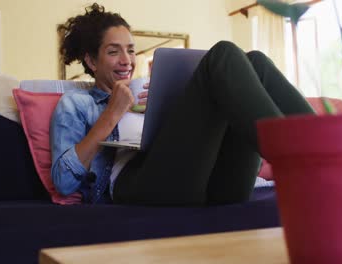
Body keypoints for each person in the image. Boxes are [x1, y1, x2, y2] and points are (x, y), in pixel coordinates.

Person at [50, 3, 314, 205]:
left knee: (255, 60)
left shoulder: (146, 90)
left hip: (209, 180)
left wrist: (170, 101)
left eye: (130, 50)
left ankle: (329, 150)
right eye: (113, 51)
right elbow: (63, 182)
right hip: (136, 182)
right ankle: (299, 164)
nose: (126, 60)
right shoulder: (76, 103)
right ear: (92, 62)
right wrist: (112, 113)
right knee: (223, 54)